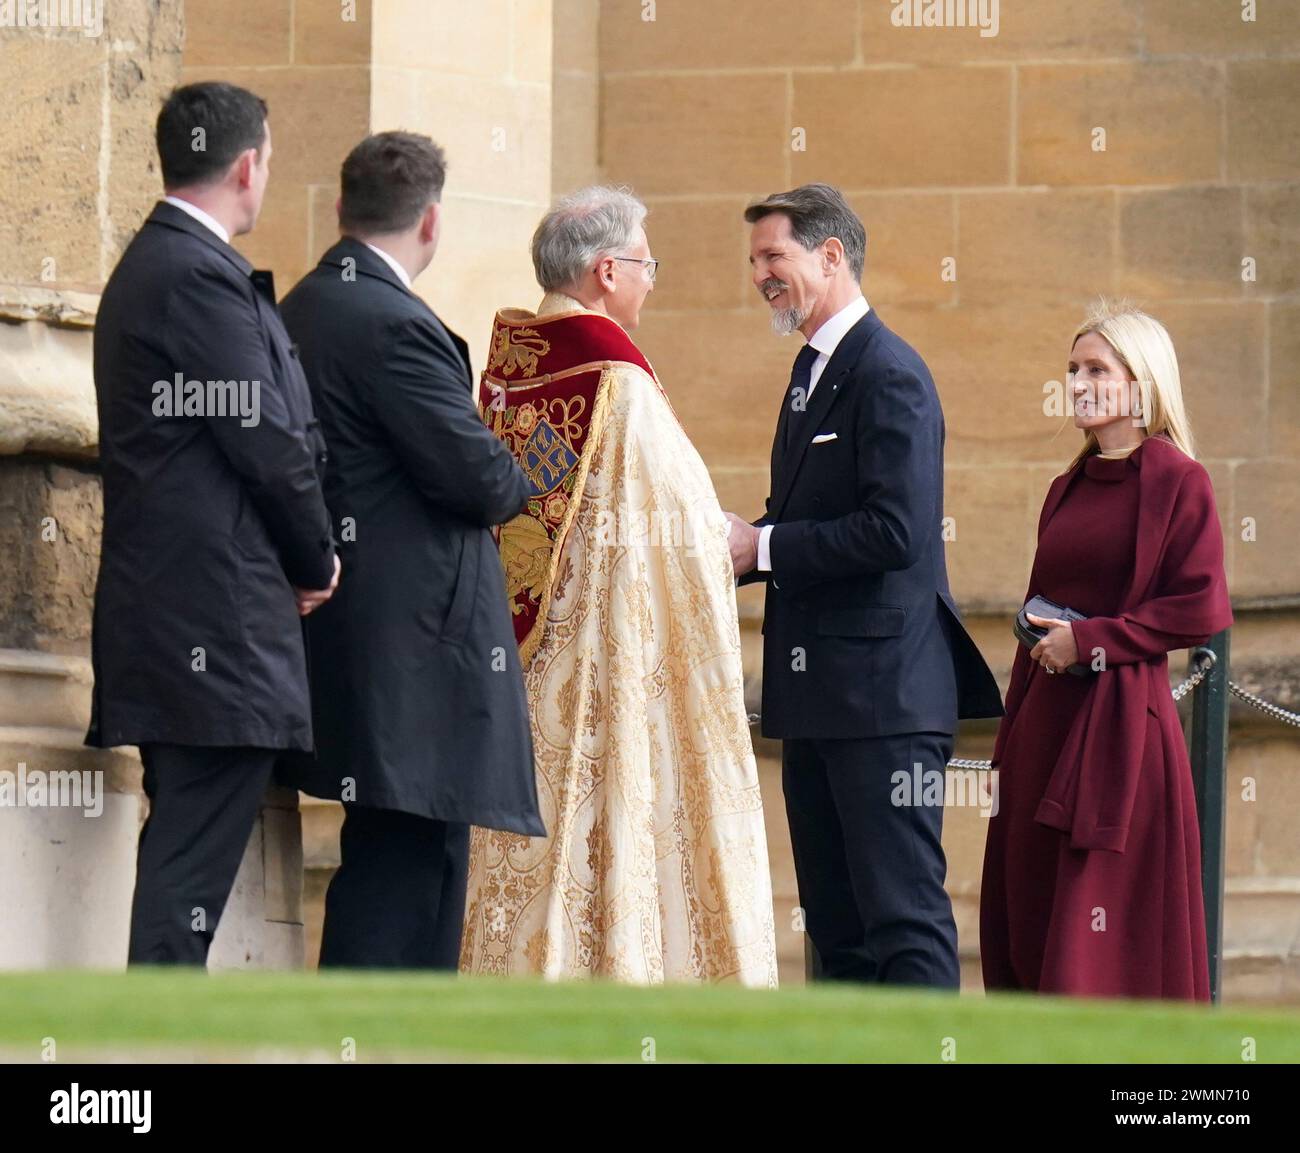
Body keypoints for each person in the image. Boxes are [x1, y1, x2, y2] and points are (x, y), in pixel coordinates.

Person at [460, 186, 778, 986]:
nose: (652, 278)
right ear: (606, 271)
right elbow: (676, 533)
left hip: (517, 673)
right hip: (604, 673)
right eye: (646, 262)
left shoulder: (510, 372)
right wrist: (737, 539)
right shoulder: (619, 386)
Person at [726, 183, 1004, 988]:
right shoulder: (810, 371)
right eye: (755, 261)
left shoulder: (891, 372)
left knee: (902, 917)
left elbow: (896, 531)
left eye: (773, 256)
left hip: (884, 702)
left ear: (832, 254)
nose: (761, 276)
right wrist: (733, 552)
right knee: (836, 929)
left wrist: (762, 545)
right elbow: (800, 523)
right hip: (819, 701)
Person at [87, 82, 340, 964]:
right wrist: (316, 557)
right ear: (246, 165)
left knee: (185, 861)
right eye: (267, 161)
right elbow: (267, 439)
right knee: (186, 874)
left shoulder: (168, 266)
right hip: (213, 626)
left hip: (192, 622)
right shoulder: (193, 272)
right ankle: (143, 1061)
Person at [279, 132, 542, 969]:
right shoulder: (394, 323)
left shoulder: (303, 306)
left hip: (348, 632)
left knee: (387, 864)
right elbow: (482, 478)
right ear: (431, 221)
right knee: (411, 879)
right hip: (414, 653)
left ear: (338, 207)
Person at [980, 301, 1232, 999]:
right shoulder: (1065, 487)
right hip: (1042, 725)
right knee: (1031, 913)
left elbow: (1197, 609)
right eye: (1071, 369)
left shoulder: (1180, 481)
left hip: (1121, 738)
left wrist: (1089, 640)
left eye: (1097, 369)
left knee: (1096, 937)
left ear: (1142, 384)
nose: (1078, 383)